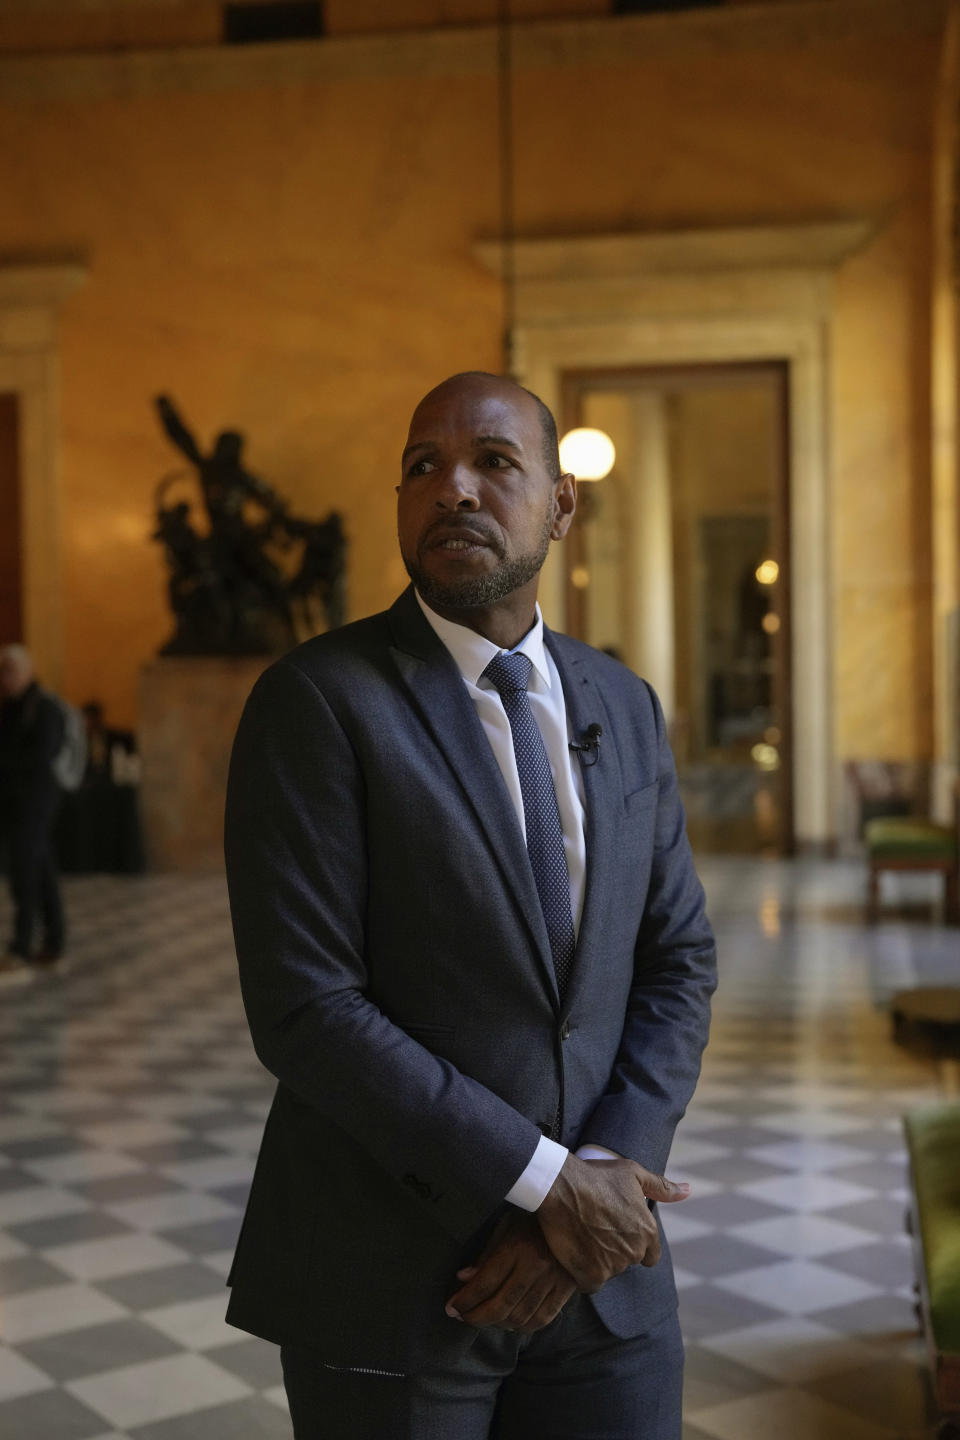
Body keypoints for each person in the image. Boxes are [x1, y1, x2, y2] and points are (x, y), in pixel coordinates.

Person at [223, 372, 717, 1440]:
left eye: (494, 462)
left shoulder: (621, 705)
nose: (453, 488)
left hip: (601, 1276)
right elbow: (308, 1010)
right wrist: (546, 1185)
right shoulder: (318, 701)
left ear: (561, 503)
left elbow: (676, 960)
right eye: (422, 466)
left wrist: (592, 1188)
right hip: (394, 1280)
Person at [0, 644, 66, 971]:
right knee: (39, 870)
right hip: (15, 803)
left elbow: (40, 756)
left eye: (10, 671)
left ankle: (22, 946)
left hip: (35, 803)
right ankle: (54, 943)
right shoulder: (12, 707)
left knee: (25, 872)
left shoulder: (44, 708)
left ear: (26, 671)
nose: (5, 678)